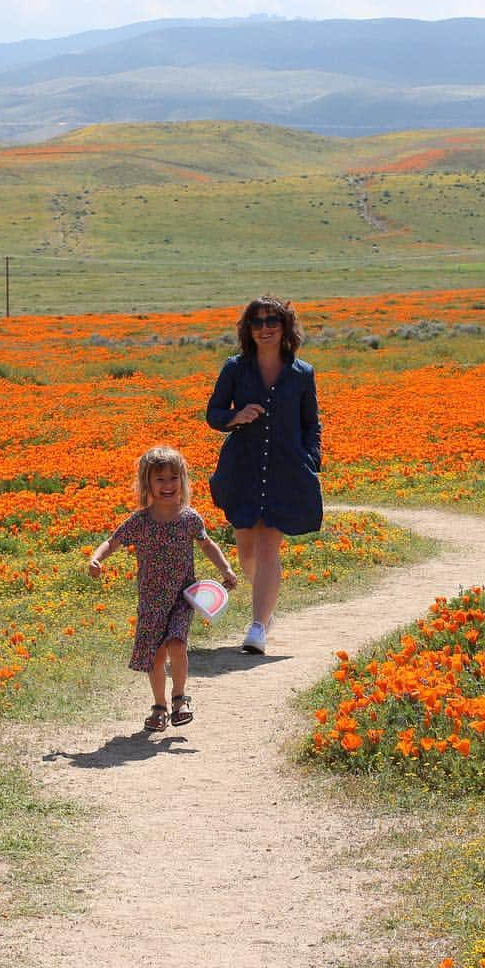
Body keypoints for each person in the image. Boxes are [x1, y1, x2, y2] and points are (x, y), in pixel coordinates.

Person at [88, 446, 238, 732]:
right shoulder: (140, 521)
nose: (168, 485)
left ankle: (180, 698)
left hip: (183, 595)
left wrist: (226, 569)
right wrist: (96, 558)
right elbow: (113, 541)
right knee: (155, 654)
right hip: (151, 599)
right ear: (147, 484)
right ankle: (159, 706)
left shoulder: (190, 518)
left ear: (182, 480)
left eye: (173, 478)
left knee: (178, 644)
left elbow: (207, 544)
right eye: (160, 480)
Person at [206, 295, 323, 654]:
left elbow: (311, 424)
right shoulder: (234, 369)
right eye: (257, 322)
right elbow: (213, 413)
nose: (265, 328)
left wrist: (310, 460)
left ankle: (258, 627)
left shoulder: (302, 373)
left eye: (273, 321)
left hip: (285, 469)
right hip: (243, 466)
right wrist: (234, 416)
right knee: (246, 550)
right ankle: (266, 606)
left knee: (269, 545)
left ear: (285, 326)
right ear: (248, 329)